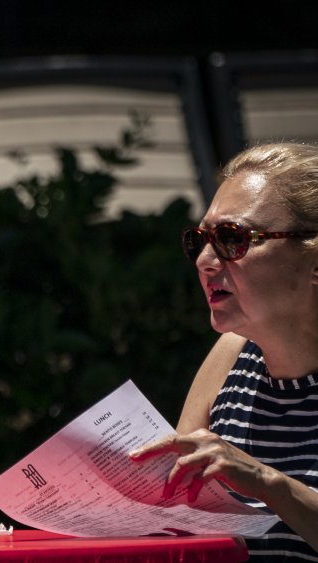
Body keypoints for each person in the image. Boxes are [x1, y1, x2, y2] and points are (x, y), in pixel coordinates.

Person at [129, 142, 318, 560]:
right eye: (200, 240)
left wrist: (270, 483)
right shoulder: (232, 354)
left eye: (232, 239)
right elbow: (177, 518)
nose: (206, 261)